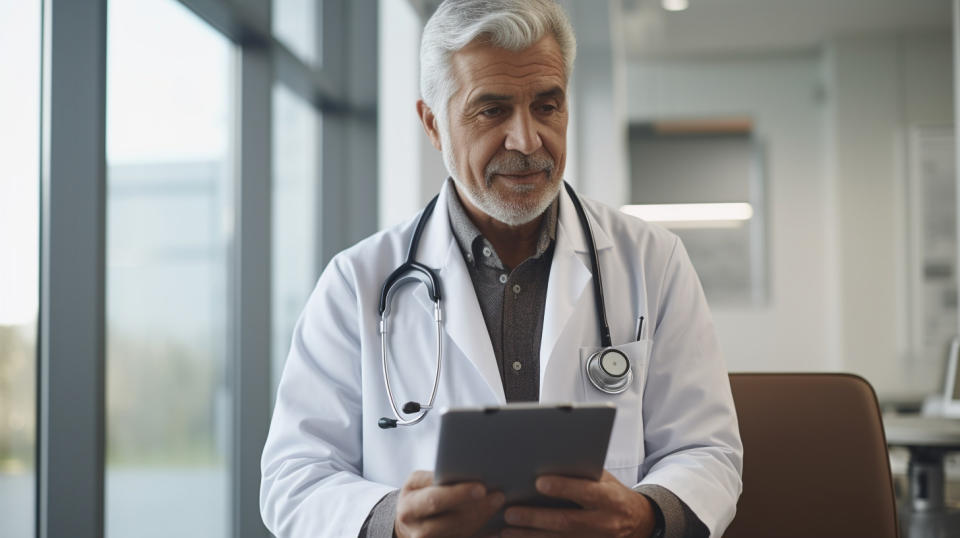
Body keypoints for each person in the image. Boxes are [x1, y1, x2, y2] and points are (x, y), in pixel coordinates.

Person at [259, 0, 743, 536]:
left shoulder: (652, 261)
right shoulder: (357, 283)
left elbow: (707, 450)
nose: (527, 140)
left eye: (546, 106)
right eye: (492, 110)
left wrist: (645, 513)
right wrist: (390, 520)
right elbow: (293, 476)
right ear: (433, 124)